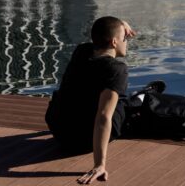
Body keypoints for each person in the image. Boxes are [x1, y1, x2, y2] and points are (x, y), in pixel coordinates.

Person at [45, 16, 136, 184]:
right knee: (122, 101)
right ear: (114, 42)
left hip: (60, 132)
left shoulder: (81, 51)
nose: (127, 41)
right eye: (125, 38)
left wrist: (121, 25)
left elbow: (101, 31)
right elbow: (103, 117)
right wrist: (99, 164)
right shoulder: (117, 69)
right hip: (83, 141)